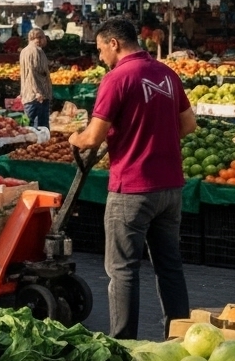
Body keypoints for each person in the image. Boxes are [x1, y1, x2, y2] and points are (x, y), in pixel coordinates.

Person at [68, 19, 196, 339]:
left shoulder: (117, 78)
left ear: (114, 43)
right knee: (170, 267)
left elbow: (94, 137)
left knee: (123, 271)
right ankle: (180, 337)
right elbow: (189, 124)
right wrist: (157, 138)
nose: (99, 58)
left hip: (132, 187)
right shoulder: (167, 73)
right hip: (170, 186)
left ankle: (123, 344)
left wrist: (75, 138)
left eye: (100, 50)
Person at [19, 29, 52, 131]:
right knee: (41, 128)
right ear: (38, 38)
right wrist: (37, 91)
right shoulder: (36, 51)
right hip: (37, 95)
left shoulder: (24, 51)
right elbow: (32, 73)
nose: (45, 40)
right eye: (43, 37)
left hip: (28, 94)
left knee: (27, 126)